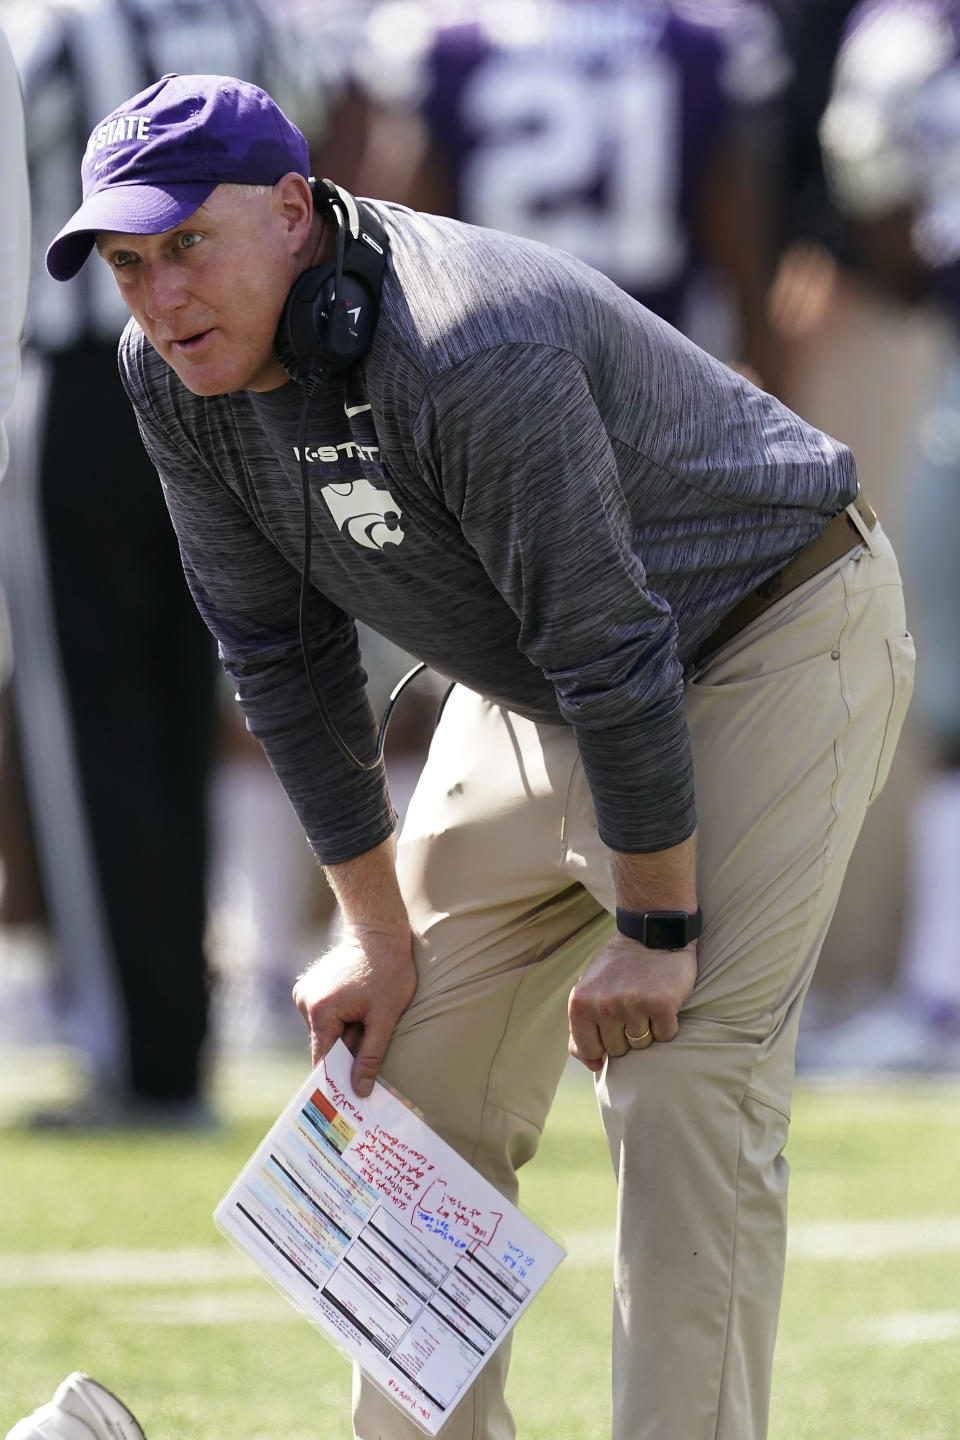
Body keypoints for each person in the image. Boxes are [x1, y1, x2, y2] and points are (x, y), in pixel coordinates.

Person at [42, 70, 913, 1440]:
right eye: (129, 264)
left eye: (188, 247)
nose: (159, 296)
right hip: (549, 673)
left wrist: (656, 925)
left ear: (293, 210)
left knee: (682, 1083)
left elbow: (615, 644)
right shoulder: (168, 374)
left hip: (767, 636)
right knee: (408, 1064)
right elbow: (279, 656)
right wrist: (373, 933)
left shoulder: (467, 343)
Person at [0, 0, 322, 1125]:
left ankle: (136, 1053)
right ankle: (176, 1038)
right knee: (190, 708)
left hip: (84, 379)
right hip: (228, 380)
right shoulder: (255, 24)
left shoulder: (48, 30)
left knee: (89, 726)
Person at [348, 0, 791, 393]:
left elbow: (400, 243)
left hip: (494, 383)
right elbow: (735, 238)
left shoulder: (438, 38)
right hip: (666, 382)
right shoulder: (708, 36)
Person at [799, 0, 960, 1072]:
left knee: (948, 700)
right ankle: (938, 989)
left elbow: (888, 228)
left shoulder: (906, 40)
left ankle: (941, 994)